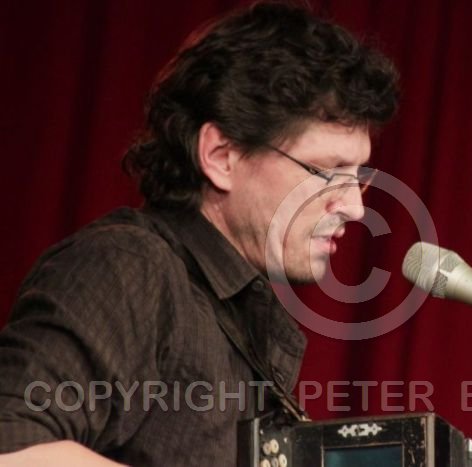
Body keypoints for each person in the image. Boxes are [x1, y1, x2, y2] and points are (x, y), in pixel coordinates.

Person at [0, 2, 399, 465]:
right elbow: (12, 449)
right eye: (328, 173)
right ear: (221, 156)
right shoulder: (130, 267)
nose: (354, 207)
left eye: (358, 177)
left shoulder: (238, 318)